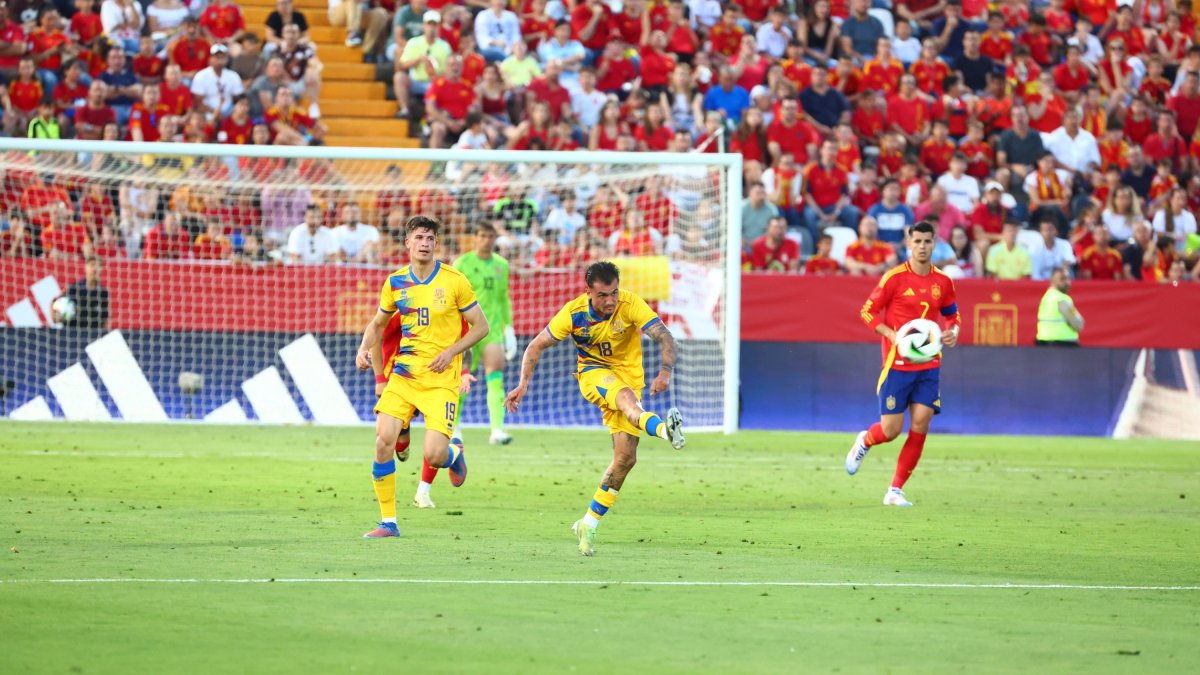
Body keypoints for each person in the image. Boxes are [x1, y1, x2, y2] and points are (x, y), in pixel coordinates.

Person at [504, 261, 684, 556]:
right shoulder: (573, 313)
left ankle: (588, 523)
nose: (610, 301)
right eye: (602, 295)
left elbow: (665, 335)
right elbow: (536, 345)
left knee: (625, 460)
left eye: (613, 292)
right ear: (588, 291)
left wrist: (665, 372)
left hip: (631, 379)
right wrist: (523, 384)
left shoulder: (630, 303)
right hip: (593, 374)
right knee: (626, 400)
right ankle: (666, 431)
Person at [356, 215, 488, 538]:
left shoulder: (455, 281)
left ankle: (454, 455)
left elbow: (481, 326)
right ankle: (389, 522)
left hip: (441, 380)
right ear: (408, 243)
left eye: (430, 238)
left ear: (436, 243)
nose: (425, 243)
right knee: (383, 440)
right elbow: (376, 325)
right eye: (419, 237)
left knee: (434, 454)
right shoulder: (395, 283)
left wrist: (452, 352)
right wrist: (363, 348)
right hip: (404, 375)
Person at [846, 221, 961, 507]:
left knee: (921, 423)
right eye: (917, 241)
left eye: (927, 241)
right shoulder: (894, 278)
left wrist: (953, 332)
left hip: (929, 363)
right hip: (897, 364)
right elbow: (867, 311)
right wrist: (890, 335)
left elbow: (953, 315)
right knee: (891, 430)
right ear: (908, 244)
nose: (922, 246)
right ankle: (865, 441)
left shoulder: (943, 282)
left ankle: (895, 490)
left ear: (934, 244)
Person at [453, 222, 517, 446]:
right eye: (482, 235)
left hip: (492, 330)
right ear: (475, 237)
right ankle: (453, 427)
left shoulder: (501, 265)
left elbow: (503, 298)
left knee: (496, 376)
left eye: (491, 236)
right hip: (467, 331)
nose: (487, 240)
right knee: (462, 378)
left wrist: (508, 328)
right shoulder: (462, 263)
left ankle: (497, 429)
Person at [58, 256, 110, 330]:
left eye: (99, 266)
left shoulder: (103, 292)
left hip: (93, 334)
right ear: (85, 268)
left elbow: (104, 319)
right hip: (72, 332)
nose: (95, 268)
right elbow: (57, 312)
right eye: (92, 265)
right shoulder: (74, 288)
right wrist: (58, 315)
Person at [1036, 268, 1084, 346]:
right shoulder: (1061, 299)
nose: (1067, 282)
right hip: (1063, 345)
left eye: (1068, 278)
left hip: (1043, 344)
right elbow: (1078, 324)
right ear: (1052, 281)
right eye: (1062, 279)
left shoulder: (1046, 297)